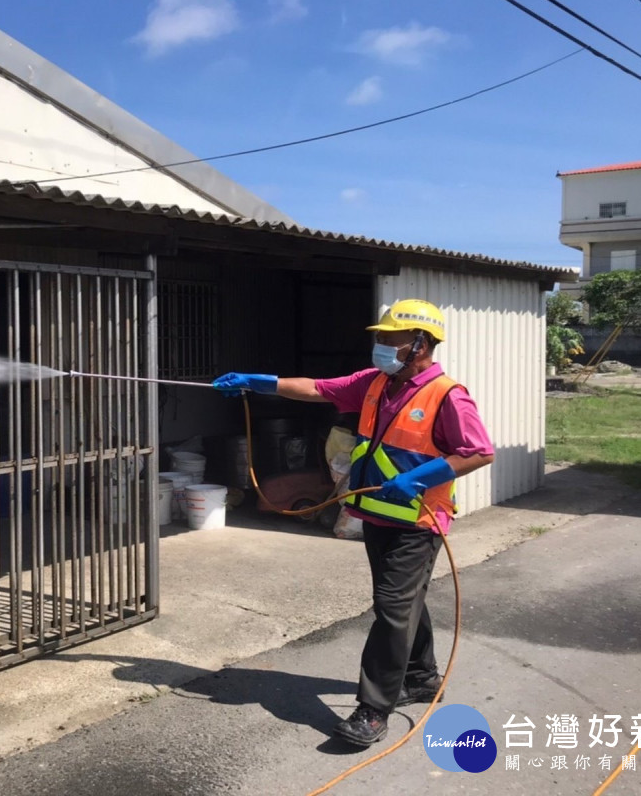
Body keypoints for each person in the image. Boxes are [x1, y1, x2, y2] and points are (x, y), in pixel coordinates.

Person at [211, 298, 494, 747]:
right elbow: (318, 388)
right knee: (401, 605)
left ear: (419, 344)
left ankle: (374, 709)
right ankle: (420, 678)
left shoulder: (447, 395)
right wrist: (258, 382)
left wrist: (419, 479)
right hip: (377, 513)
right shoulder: (376, 383)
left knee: (392, 608)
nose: (380, 345)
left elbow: (478, 451)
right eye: (379, 337)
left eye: (389, 339)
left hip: (418, 522)